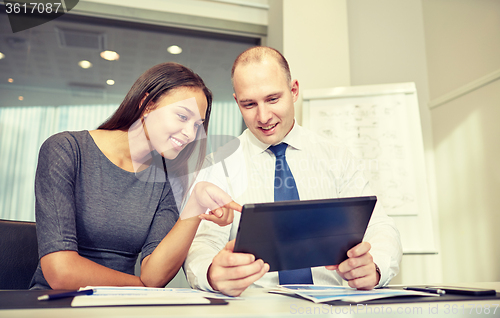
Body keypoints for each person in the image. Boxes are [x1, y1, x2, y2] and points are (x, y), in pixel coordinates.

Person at [184, 46, 402, 296]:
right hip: (252, 308)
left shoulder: (337, 157)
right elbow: (202, 243)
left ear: (294, 90)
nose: (263, 117)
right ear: (237, 102)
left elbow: (380, 226)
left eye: (273, 99)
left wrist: (374, 265)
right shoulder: (218, 166)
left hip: (329, 305)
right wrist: (211, 273)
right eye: (249, 104)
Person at [30, 62, 239, 290]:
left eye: (197, 125)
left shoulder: (165, 180)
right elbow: (60, 272)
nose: (191, 134)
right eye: (182, 116)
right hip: (57, 303)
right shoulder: (66, 150)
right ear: (147, 105)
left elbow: (155, 275)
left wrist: (195, 204)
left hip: (122, 306)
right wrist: (140, 286)